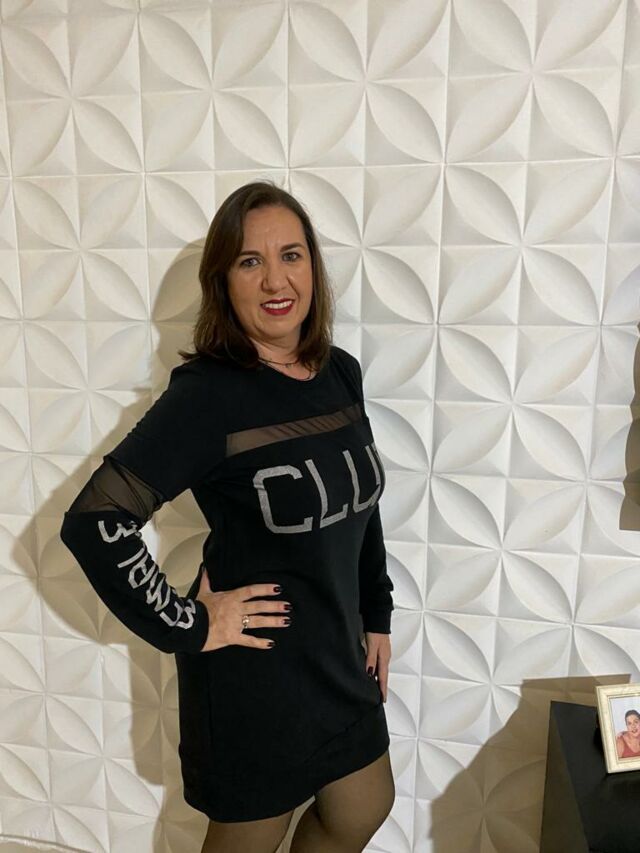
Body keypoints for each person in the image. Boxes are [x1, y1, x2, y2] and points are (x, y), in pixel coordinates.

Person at [60, 180, 396, 853]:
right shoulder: (209, 396)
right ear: (223, 281)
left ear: (313, 267)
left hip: (337, 652)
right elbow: (95, 520)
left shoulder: (340, 373)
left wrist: (377, 612)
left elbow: (359, 502)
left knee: (363, 806)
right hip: (256, 674)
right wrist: (188, 622)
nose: (276, 279)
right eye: (250, 261)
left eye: (291, 255)